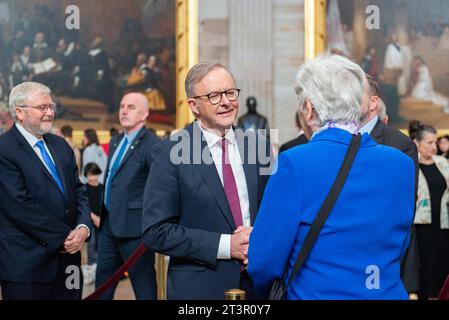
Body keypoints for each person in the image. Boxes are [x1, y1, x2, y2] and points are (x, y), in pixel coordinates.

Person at [247, 55, 415, 300]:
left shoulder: (295, 164)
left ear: (308, 108)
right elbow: (400, 245)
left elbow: (264, 262)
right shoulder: (400, 164)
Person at [142, 62, 272, 299]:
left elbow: (270, 212)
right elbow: (156, 231)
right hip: (200, 289)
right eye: (214, 96)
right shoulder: (171, 152)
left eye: (230, 93)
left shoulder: (257, 146)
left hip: (256, 285)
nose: (226, 102)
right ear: (194, 105)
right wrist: (226, 245)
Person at [0, 82, 91, 299]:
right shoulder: (4, 150)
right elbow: (19, 206)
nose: (50, 113)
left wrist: (83, 227)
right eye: (42, 108)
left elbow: (79, 191)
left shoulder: (61, 146)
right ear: (19, 112)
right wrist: (65, 236)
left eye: (51, 107)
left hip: (69, 263)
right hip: (27, 266)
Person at [360, 74, 421, 297]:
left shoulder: (400, 144)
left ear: (373, 103)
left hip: (386, 259)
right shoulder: (338, 138)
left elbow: (404, 209)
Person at [95, 92, 160, 300]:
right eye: (122, 106)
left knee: (144, 289)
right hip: (108, 227)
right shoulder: (115, 141)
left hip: (136, 231)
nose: (123, 111)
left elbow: (159, 189)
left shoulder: (153, 144)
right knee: (101, 288)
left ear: (144, 114)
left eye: (131, 107)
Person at [408, 120, 449, 300]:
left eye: (435, 142)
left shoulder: (443, 163)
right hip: (421, 227)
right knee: (425, 267)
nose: (435, 146)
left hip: (443, 224)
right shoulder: (409, 164)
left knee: (442, 265)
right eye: (430, 143)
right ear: (417, 142)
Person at [81, 162, 104, 285]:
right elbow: (84, 207)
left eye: (94, 174)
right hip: (90, 222)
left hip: (101, 222)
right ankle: (90, 270)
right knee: (91, 245)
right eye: (89, 175)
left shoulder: (102, 188)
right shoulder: (84, 188)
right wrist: (95, 218)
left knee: (101, 245)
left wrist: (102, 219)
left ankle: (100, 271)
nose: (92, 178)